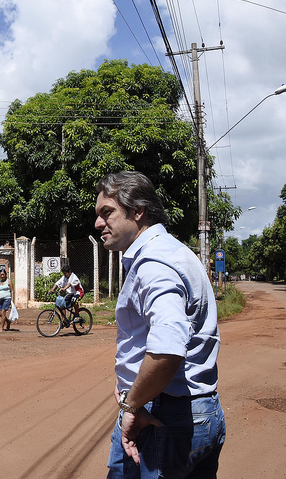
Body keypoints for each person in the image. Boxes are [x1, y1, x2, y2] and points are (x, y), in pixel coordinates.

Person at [94, 171, 226, 478]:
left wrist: (131, 407)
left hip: (162, 415)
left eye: (107, 212)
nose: (98, 223)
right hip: (200, 410)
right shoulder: (176, 252)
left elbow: (167, 351)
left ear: (138, 211)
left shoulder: (154, 263)